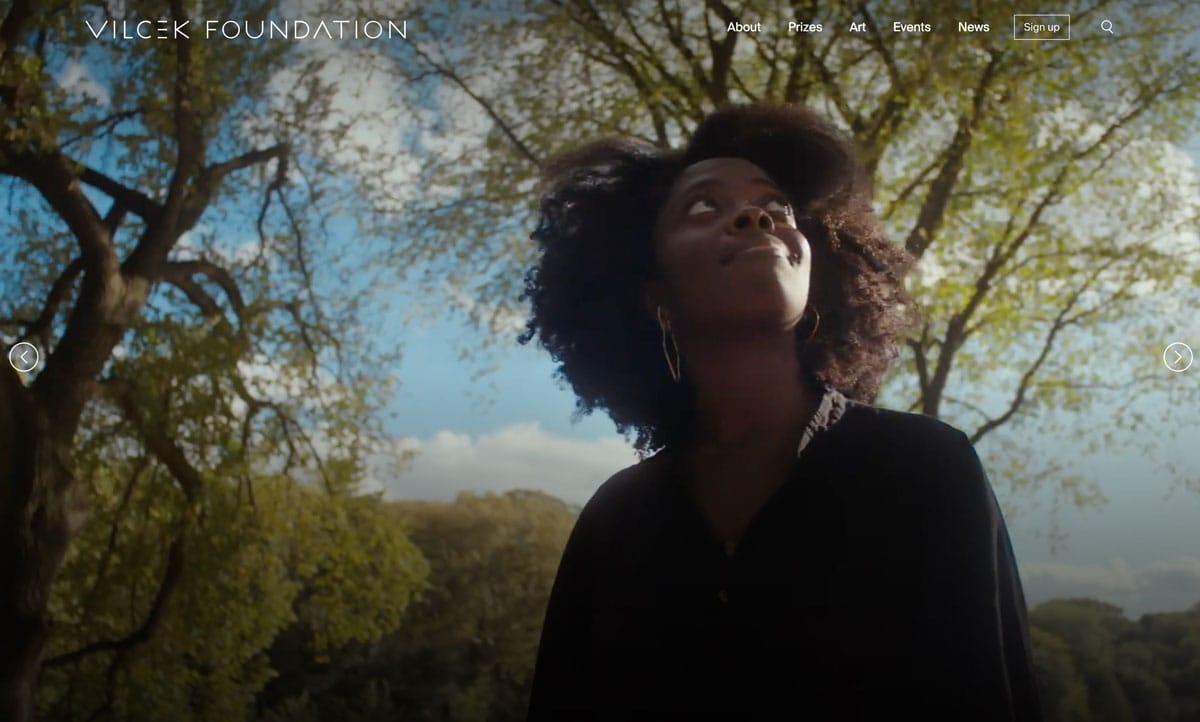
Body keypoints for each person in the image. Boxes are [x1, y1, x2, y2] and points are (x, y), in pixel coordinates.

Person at [518, 103, 1043, 721]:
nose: (757, 215)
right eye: (703, 206)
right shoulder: (614, 522)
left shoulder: (927, 467)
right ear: (654, 294)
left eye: (777, 206)